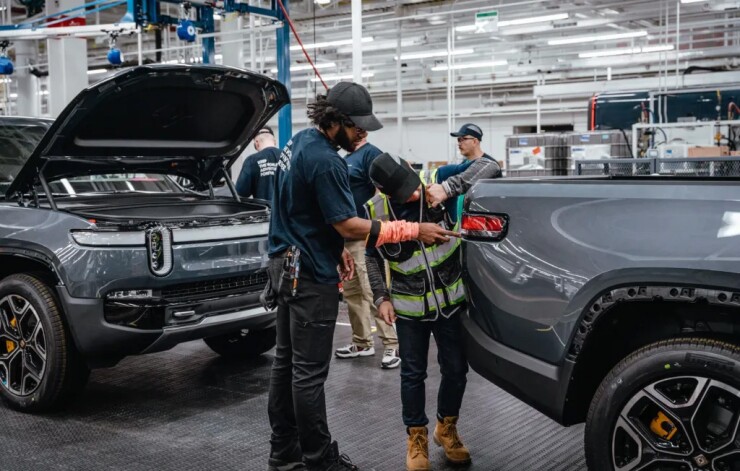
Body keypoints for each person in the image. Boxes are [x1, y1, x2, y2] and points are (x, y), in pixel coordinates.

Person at [265, 82, 458, 471]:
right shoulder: (328, 161)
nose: (362, 134)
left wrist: (334, 249)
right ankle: (320, 461)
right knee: (308, 375)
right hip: (309, 277)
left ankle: (284, 454)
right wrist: (411, 230)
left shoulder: (298, 143)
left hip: (285, 264)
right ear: (335, 120)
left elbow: (301, 209)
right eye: (356, 126)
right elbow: (349, 224)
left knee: (286, 366)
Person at [364, 152, 496, 471]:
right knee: (413, 374)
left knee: (456, 369)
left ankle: (446, 428)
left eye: (413, 185)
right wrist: (381, 297)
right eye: (404, 193)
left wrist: (449, 188)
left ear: (411, 169)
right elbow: (371, 256)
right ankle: (416, 437)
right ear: (384, 192)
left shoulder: (437, 180)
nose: (414, 193)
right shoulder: (375, 211)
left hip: (451, 302)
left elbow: (491, 165)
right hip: (409, 309)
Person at [335, 137, 401, 369]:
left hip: (365, 237)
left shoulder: (371, 154)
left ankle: (392, 343)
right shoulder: (347, 156)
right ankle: (362, 342)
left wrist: (378, 233)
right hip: (346, 238)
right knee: (352, 293)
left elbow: (382, 194)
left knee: (372, 291)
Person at [425, 123, 501, 209]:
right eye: (458, 140)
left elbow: (465, 180)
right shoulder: (463, 164)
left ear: (475, 141)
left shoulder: (489, 164)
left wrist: (445, 189)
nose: (459, 143)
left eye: (463, 139)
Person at [235, 125, 280, 201]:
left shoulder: (251, 160)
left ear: (256, 143)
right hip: (287, 208)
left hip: (264, 208)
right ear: (274, 141)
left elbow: (241, 192)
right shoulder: (289, 157)